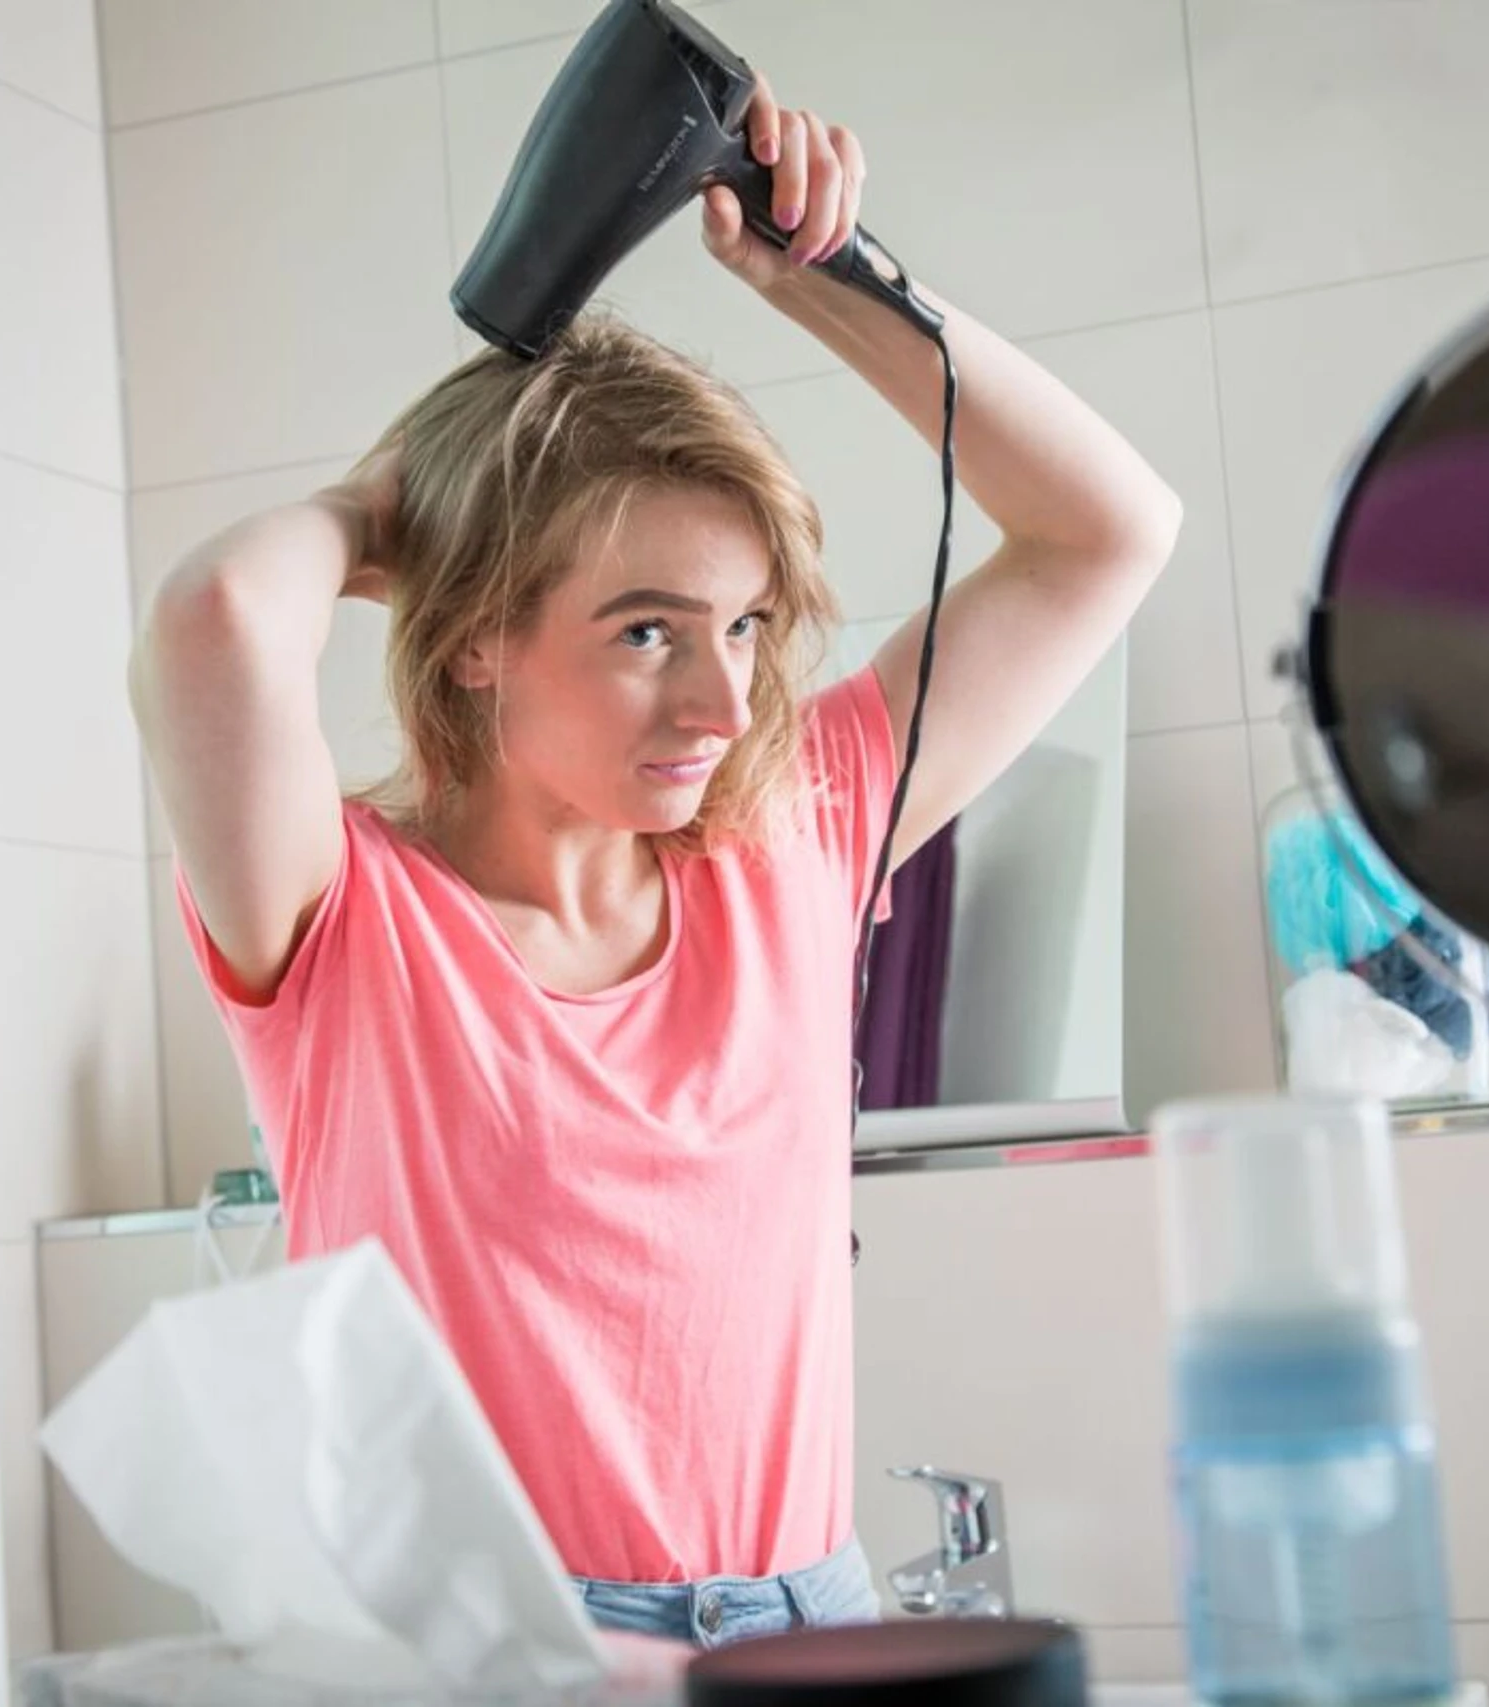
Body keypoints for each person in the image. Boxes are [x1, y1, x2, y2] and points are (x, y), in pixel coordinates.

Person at [128, 72, 1182, 1649]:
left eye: (745, 624)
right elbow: (213, 624)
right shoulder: (350, 921)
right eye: (646, 633)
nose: (726, 699)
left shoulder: (791, 835)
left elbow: (1112, 528)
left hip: (808, 1618)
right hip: (492, 1649)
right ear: (477, 633)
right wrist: (386, 509)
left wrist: (826, 269)